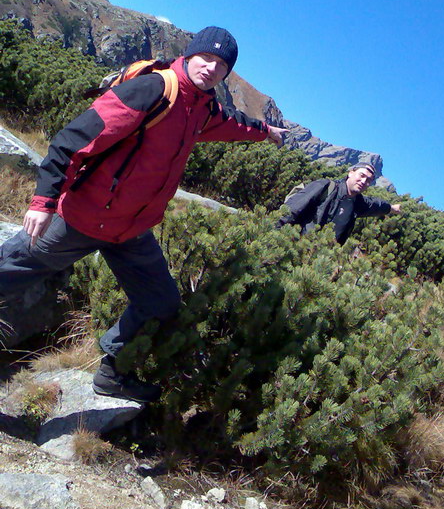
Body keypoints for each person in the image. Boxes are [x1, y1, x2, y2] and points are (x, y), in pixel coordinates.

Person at [0, 26, 285, 402]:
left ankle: (112, 373)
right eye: (207, 58)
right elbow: (73, 140)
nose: (212, 68)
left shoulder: (203, 109)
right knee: (9, 271)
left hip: (131, 231)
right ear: (190, 54)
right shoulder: (153, 90)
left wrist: (266, 132)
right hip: (80, 218)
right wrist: (43, 202)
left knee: (160, 303)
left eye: (221, 65)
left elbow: (233, 125)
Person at [277, 162, 401, 244]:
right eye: (361, 175)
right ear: (351, 172)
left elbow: (377, 205)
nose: (364, 181)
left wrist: (391, 208)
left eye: (368, 180)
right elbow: (291, 210)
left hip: (320, 266)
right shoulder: (325, 186)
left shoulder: (358, 203)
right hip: (297, 247)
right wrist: (272, 235)